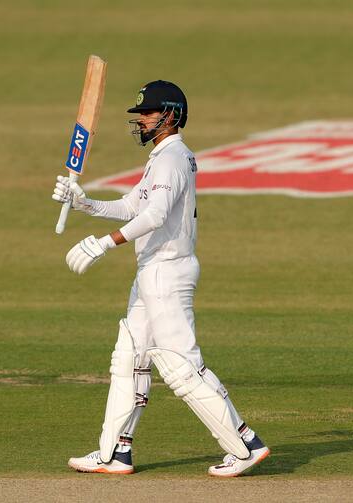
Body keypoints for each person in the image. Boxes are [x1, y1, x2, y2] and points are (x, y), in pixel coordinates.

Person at [52, 80, 270, 477]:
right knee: (129, 358)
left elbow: (152, 217)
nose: (141, 121)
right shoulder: (162, 157)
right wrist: (84, 203)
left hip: (167, 272)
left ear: (170, 115)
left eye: (148, 114)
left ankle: (245, 445)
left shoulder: (172, 158)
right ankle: (114, 453)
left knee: (180, 366)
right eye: (140, 115)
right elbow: (132, 205)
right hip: (151, 272)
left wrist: (103, 245)